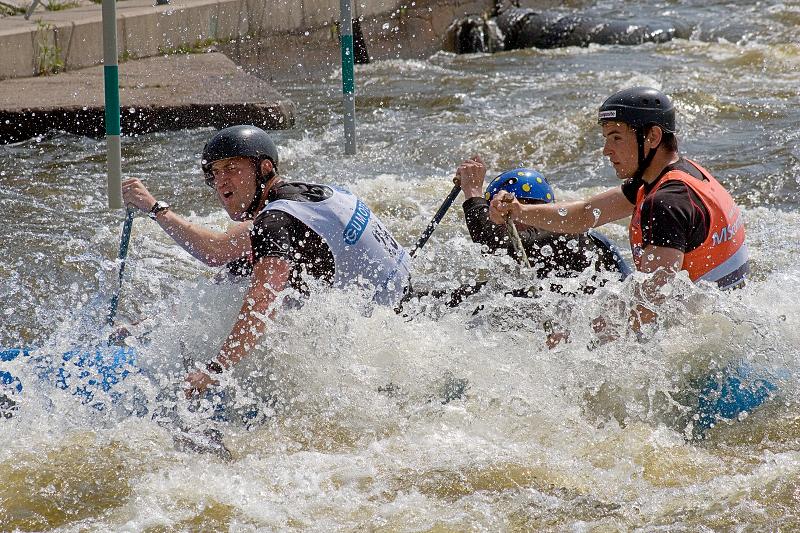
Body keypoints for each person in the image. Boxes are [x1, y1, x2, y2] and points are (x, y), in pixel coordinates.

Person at [122, 125, 411, 396]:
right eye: (215, 173)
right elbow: (219, 250)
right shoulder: (308, 196)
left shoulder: (275, 221)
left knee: (248, 277)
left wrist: (215, 369)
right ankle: (150, 324)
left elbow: (263, 301)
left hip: (381, 346)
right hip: (405, 304)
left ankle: (154, 331)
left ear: (265, 168)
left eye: (232, 169)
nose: (221, 180)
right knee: (239, 267)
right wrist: (155, 208)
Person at [490, 87, 749, 333]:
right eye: (606, 139)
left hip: (708, 342)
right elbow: (584, 214)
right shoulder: (675, 175)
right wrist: (520, 210)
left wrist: (577, 337)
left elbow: (650, 306)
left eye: (616, 137)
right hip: (729, 318)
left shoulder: (666, 203)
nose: (606, 151)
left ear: (653, 137)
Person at [456, 157, 630, 284]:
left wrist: (472, 191)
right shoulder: (538, 245)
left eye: (501, 213)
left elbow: (495, 244)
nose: (497, 223)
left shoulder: (561, 236)